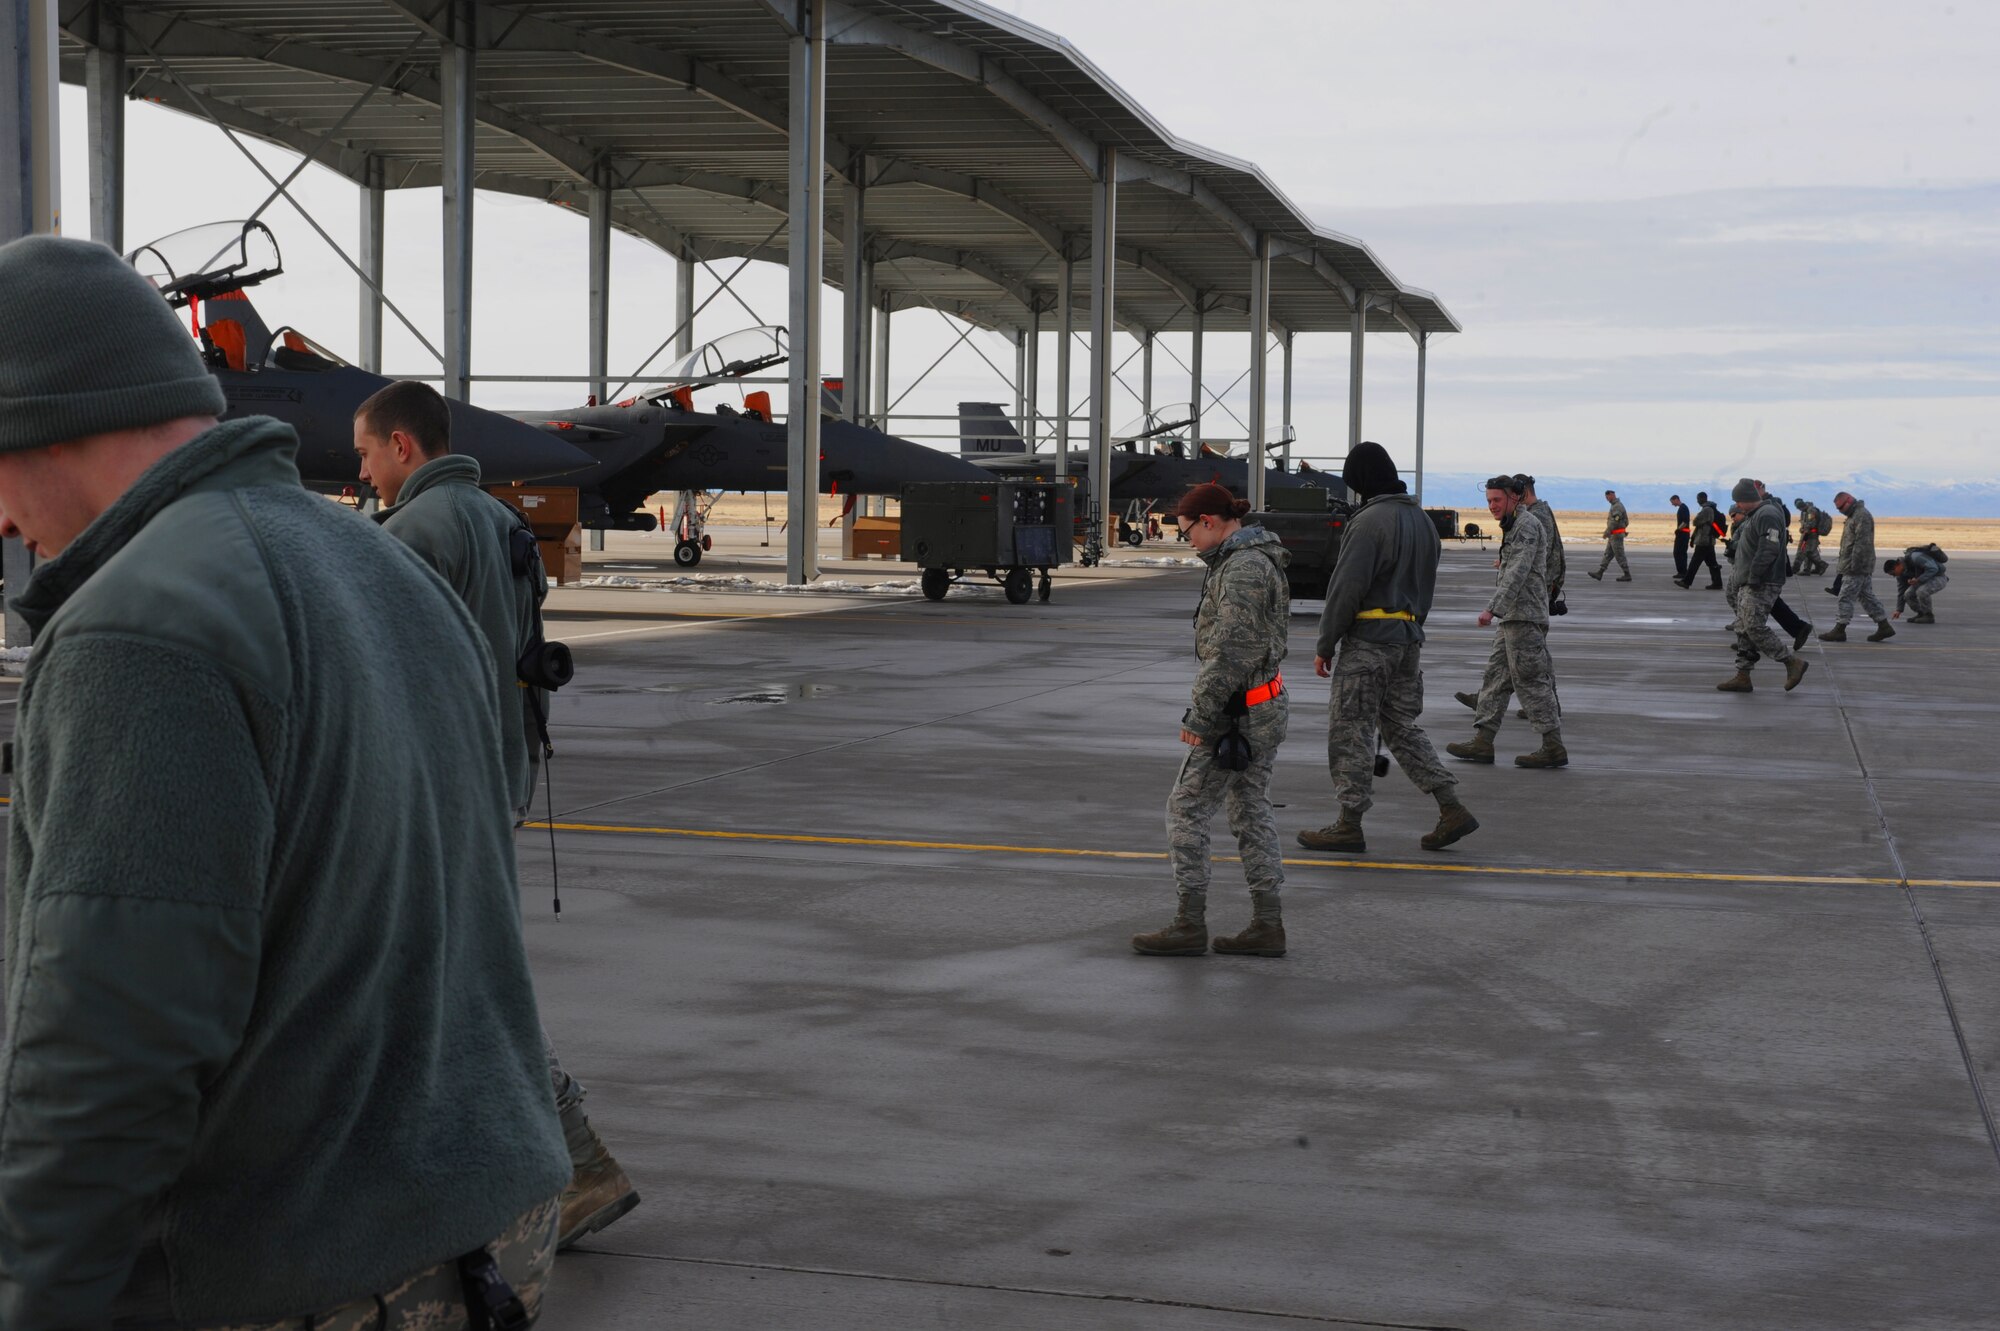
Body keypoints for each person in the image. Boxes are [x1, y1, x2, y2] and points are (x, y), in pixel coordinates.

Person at [0, 236, 568, 1328]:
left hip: (279, 1266)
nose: (4, 521)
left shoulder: (142, 623)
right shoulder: (380, 566)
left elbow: (108, 1050)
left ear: (42, 417)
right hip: (471, 1239)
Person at [355, 380, 640, 1251]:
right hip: (496, 777)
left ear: (404, 446)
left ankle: (576, 1164)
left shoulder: (413, 533)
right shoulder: (495, 518)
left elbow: (374, 674)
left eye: (366, 453)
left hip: (433, 791)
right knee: (443, 982)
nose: (361, 473)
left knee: (455, 984)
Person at [1133, 484, 1291, 958]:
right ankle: (1267, 924)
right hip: (1260, 705)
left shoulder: (1242, 568)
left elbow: (1230, 651)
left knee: (1186, 808)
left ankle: (1189, 923)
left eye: (1187, 534)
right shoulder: (1253, 557)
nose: (1189, 543)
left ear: (1208, 520)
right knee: (1250, 810)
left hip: (1235, 712)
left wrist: (1200, 716)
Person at [1295, 442, 1477, 855]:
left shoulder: (1369, 522)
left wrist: (1326, 643)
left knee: (1350, 730)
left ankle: (1348, 823)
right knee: (1401, 727)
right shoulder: (1424, 523)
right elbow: (1426, 587)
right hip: (1408, 641)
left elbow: (1346, 588)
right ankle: (1451, 806)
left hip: (1368, 645)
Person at [1447, 476, 1567, 769]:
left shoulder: (1527, 526)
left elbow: (1518, 571)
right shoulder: (1514, 526)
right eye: (1488, 501)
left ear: (1515, 497)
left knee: (1530, 680)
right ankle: (1482, 742)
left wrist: (1492, 609)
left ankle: (1553, 745)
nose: (1492, 506)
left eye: (1496, 500)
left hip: (1524, 616)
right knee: (1496, 678)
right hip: (1513, 616)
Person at [1716, 478, 1810, 693]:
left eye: (1739, 501)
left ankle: (1790, 661)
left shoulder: (1767, 515)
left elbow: (1769, 549)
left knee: (1753, 626)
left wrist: (1754, 576)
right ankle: (1743, 675)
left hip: (1761, 581)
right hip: (1748, 580)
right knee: (1743, 629)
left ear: (1749, 498)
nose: (1737, 505)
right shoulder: (1755, 516)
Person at [1818, 490, 1895, 643]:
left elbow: (1862, 543)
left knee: (1845, 597)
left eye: (1842, 507)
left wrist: (1854, 566)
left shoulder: (1861, 516)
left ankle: (1840, 630)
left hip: (1856, 566)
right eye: (1838, 509)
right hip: (1855, 565)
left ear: (1849, 500)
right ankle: (1884, 626)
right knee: (1866, 597)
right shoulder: (1854, 516)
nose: (1841, 511)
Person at [1888, 547, 1948, 623]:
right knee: (1908, 594)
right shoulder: (1901, 575)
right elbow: (1901, 592)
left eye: (1893, 573)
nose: (1894, 575)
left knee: (1921, 591)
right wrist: (1899, 610)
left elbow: (1933, 569)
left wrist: (1918, 579)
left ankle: (1928, 616)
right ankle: (1922, 614)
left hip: (1938, 577)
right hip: (1924, 580)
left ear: (1897, 566)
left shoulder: (1915, 557)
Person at [1680, 491, 1724, 589]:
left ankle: (1686, 582)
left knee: (1695, 562)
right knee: (1712, 563)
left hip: (1704, 540)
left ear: (1703, 498)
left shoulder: (1706, 510)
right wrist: (1692, 539)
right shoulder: (1710, 509)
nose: (1697, 501)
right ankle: (1717, 583)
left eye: (1698, 499)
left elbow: (1695, 522)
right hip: (1708, 540)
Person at [1586, 488, 1630, 581]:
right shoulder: (1614, 505)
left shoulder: (1617, 506)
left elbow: (1614, 522)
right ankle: (1600, 573)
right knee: (1608, 554)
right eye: (1606, 497)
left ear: (1612, 495)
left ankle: (1627, 574)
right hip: (1613, 535)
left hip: (1616, 535)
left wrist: (1607, 532)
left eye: (1608, 496)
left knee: (1619, 554)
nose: (1607, 498)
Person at [1793, 497, 1830, 575]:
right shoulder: (1805, 511)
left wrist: (1804, 530)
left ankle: (1818, 566)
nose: (1800, 510)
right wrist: (1802, 529)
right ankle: (1810, 569)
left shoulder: (1811, 511)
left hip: (1811, 534)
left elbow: (1811, 523)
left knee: (1804, 551)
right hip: (1807, 533)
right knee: (1809, 551)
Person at [1670, 493, 1692, 583]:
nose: (1672, 504)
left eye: (1672, 502)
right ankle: (1681, 571)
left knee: (1680, 552)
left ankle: (1683, 571)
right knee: (1678, 552)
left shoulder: (1683, 508)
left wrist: (1679, 529)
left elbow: (1685, 522)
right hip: (1681, 534)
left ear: (1676, 499)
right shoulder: (1682, 508)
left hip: (1683, 534)